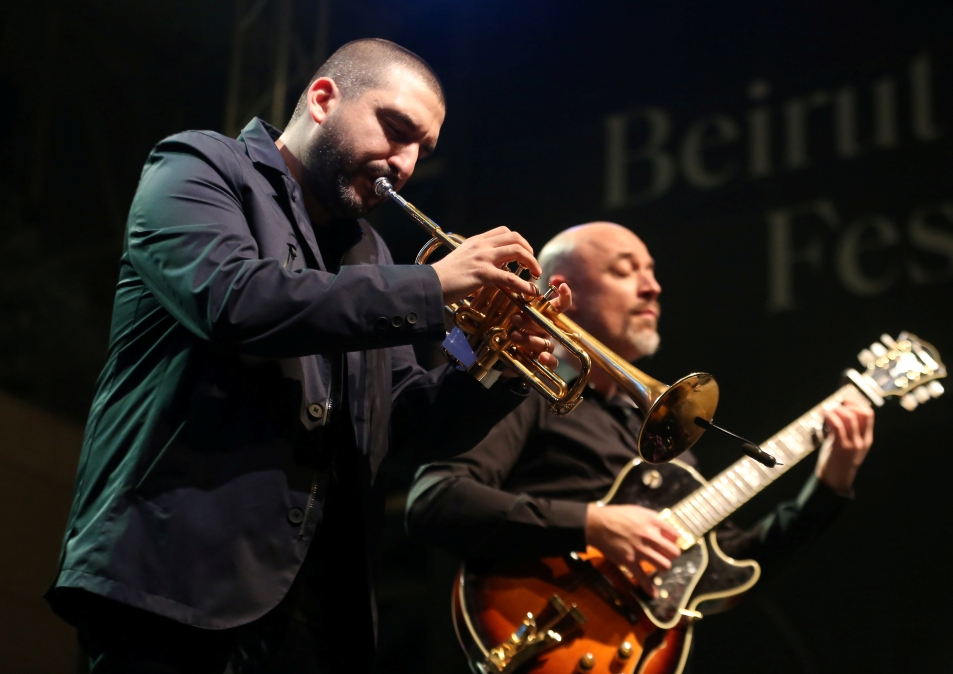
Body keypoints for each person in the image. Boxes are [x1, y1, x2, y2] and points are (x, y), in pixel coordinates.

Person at [46, 38, 569, 673]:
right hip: (173, 588)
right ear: (323, 99)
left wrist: (496, 366)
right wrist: (431, 284)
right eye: (395, 129)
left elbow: (402, 420)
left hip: (318, 620)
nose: (404, 163)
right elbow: (238, 302)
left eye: (421, 151)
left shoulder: (371, 256)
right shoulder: (197, 167)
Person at [406, 222, 874, 665]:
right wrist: (593, 524)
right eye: (625, 270)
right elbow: (435, 499)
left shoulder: (664, 436)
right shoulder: (522, 395)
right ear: (566, 289)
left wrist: (829, 486)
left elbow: (733, 566)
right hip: (539, 631)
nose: (653, 287)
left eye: (651, 271)